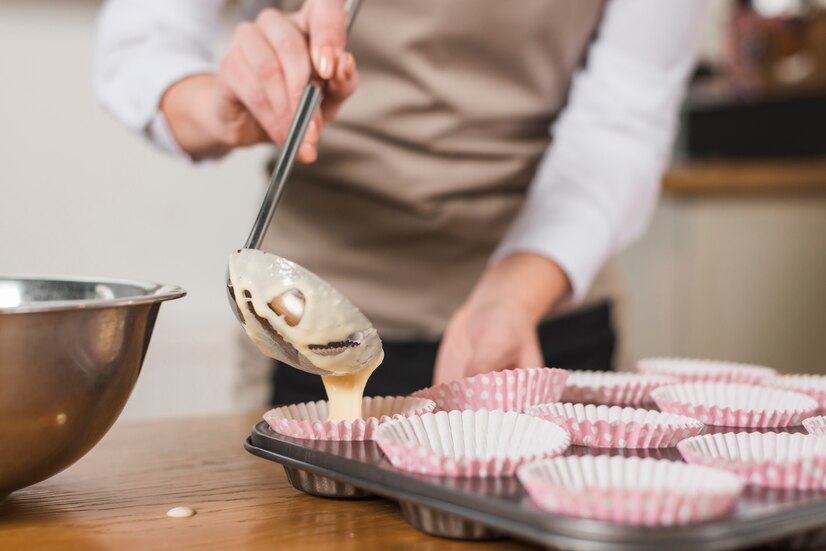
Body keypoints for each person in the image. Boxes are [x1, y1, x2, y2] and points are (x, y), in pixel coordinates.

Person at [93, 0, 707, 406]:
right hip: (310, 321)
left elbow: (623, 119)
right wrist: (223, 106)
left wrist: (514, 293)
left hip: (545, 307)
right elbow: (144, 43)